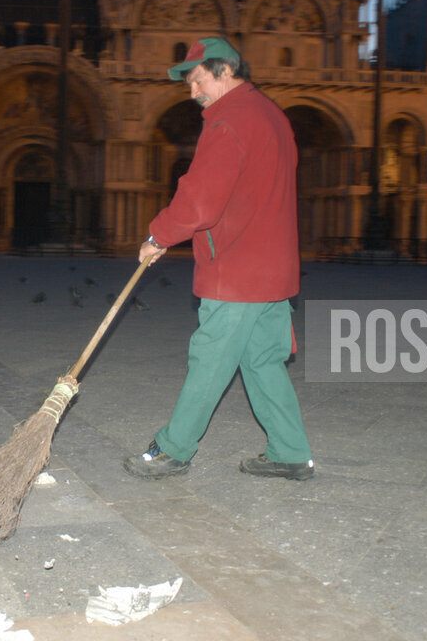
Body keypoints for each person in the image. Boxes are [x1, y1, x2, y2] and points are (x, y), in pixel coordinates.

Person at [123, 37, 314, 481]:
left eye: (197, 80)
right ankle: (289, 451)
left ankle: (173, 449)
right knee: (262, 361)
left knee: (210, 360)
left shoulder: (229, 120)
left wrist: (159, 235)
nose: (192, 93)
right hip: (274, 269)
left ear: (225, 70)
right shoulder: (272, 114)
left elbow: (201, 197)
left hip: (236, 269)